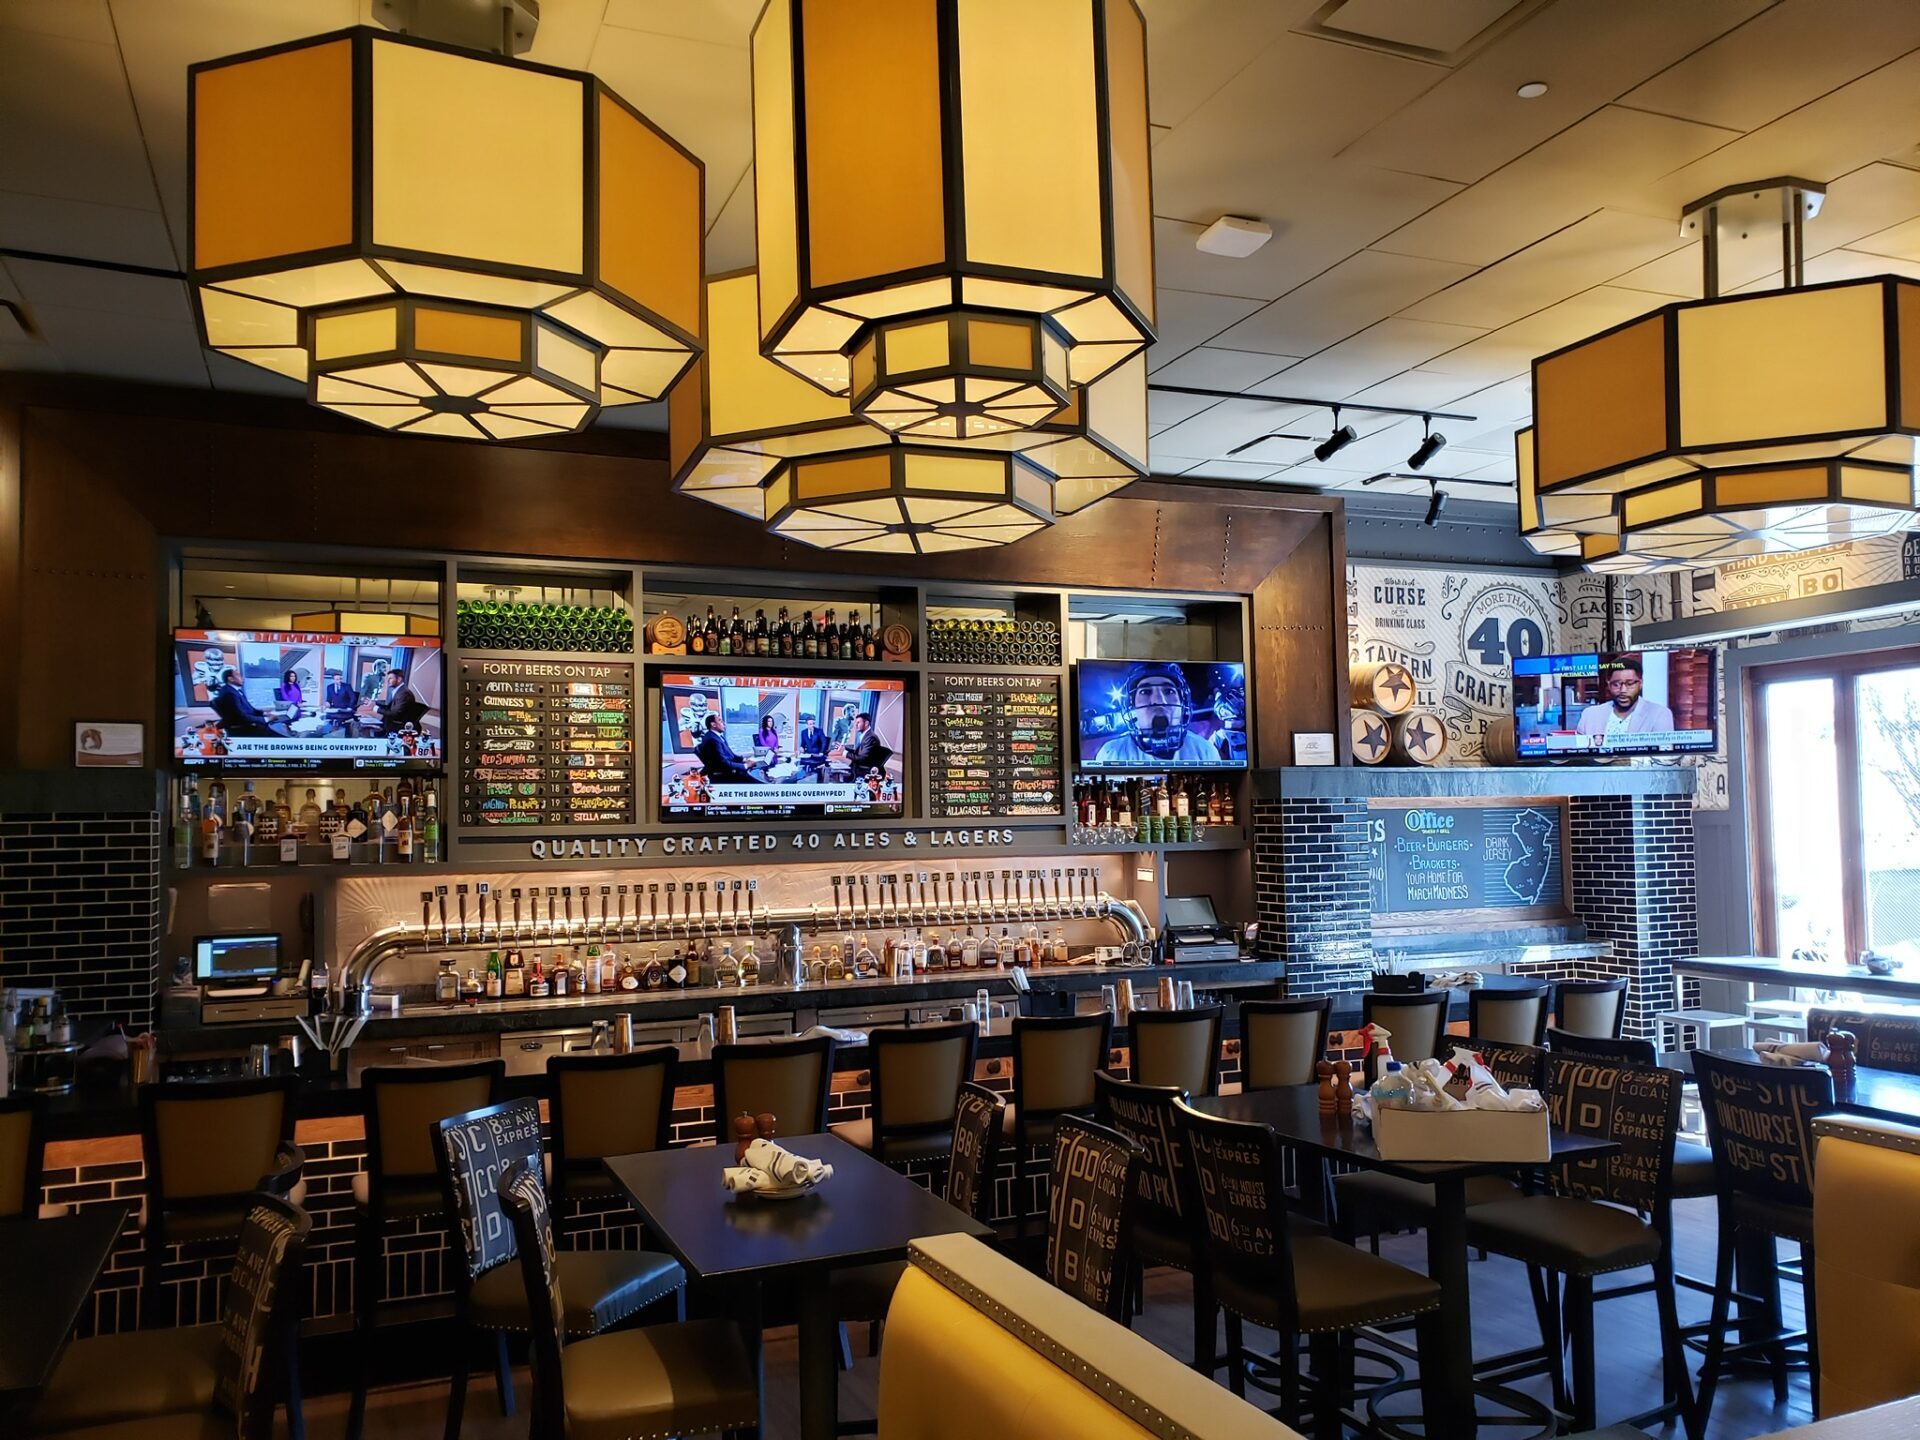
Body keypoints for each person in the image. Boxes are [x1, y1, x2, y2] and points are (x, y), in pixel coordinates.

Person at [1091, 662, 1219, 767]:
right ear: (1133, 705)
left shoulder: (1204, 750)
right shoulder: (1112, 753)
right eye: (1145, 692)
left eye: (1169, 691)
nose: (1158, 700)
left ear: (1182, 702)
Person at [1575, 656, 1673, 740]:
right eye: (1616, 684)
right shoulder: (1590, 715)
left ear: (1641, 683)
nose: (1623, 690)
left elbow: (1664, 753)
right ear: (1608, 684)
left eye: (1630, 684)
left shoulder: (1659, 714)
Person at [210, 668, 285, 738]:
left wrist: (264, 714)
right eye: (238, 675)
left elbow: (250, 709)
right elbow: (241, 717)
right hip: (243, 729)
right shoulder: (229, 693)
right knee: (281, 735)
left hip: (247, 725)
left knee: (280, 726)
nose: (242, 678)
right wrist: (266, 719)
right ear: (231, 679)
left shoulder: (235, 691)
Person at [694, 714, 760, 785]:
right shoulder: (712, 739)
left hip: (728, 769)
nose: (724, 723)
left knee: (756, 770)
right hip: (725, 774)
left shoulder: (718, 737)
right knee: (758, 780)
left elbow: (731, 755)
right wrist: (745, 766)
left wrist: (744, 760)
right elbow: (723, 763)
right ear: (713, 724)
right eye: (720, 721)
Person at [373, 669, 428, 735]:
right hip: (392, 723)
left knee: (371, 729)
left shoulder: (404, 693)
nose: (388, 681)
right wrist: (375, 703)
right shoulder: (399, 691)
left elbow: (395, 714)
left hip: (398, 726)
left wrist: (377, 709)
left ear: (399, 679)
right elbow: (390, 707)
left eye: (390, 678)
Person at [322, 667, 357, 735]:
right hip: (335, 709)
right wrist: (326, 705)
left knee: (340, 719)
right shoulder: (329, 687)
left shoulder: (347, 686)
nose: (339, 681)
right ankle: (330, 732)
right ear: (333, 680)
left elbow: (353, 698)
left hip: (345, 709)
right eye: (337, 679)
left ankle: (340, 731)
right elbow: (328, 699)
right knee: (326, 718)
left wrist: (350, 707)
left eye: (340, 679)